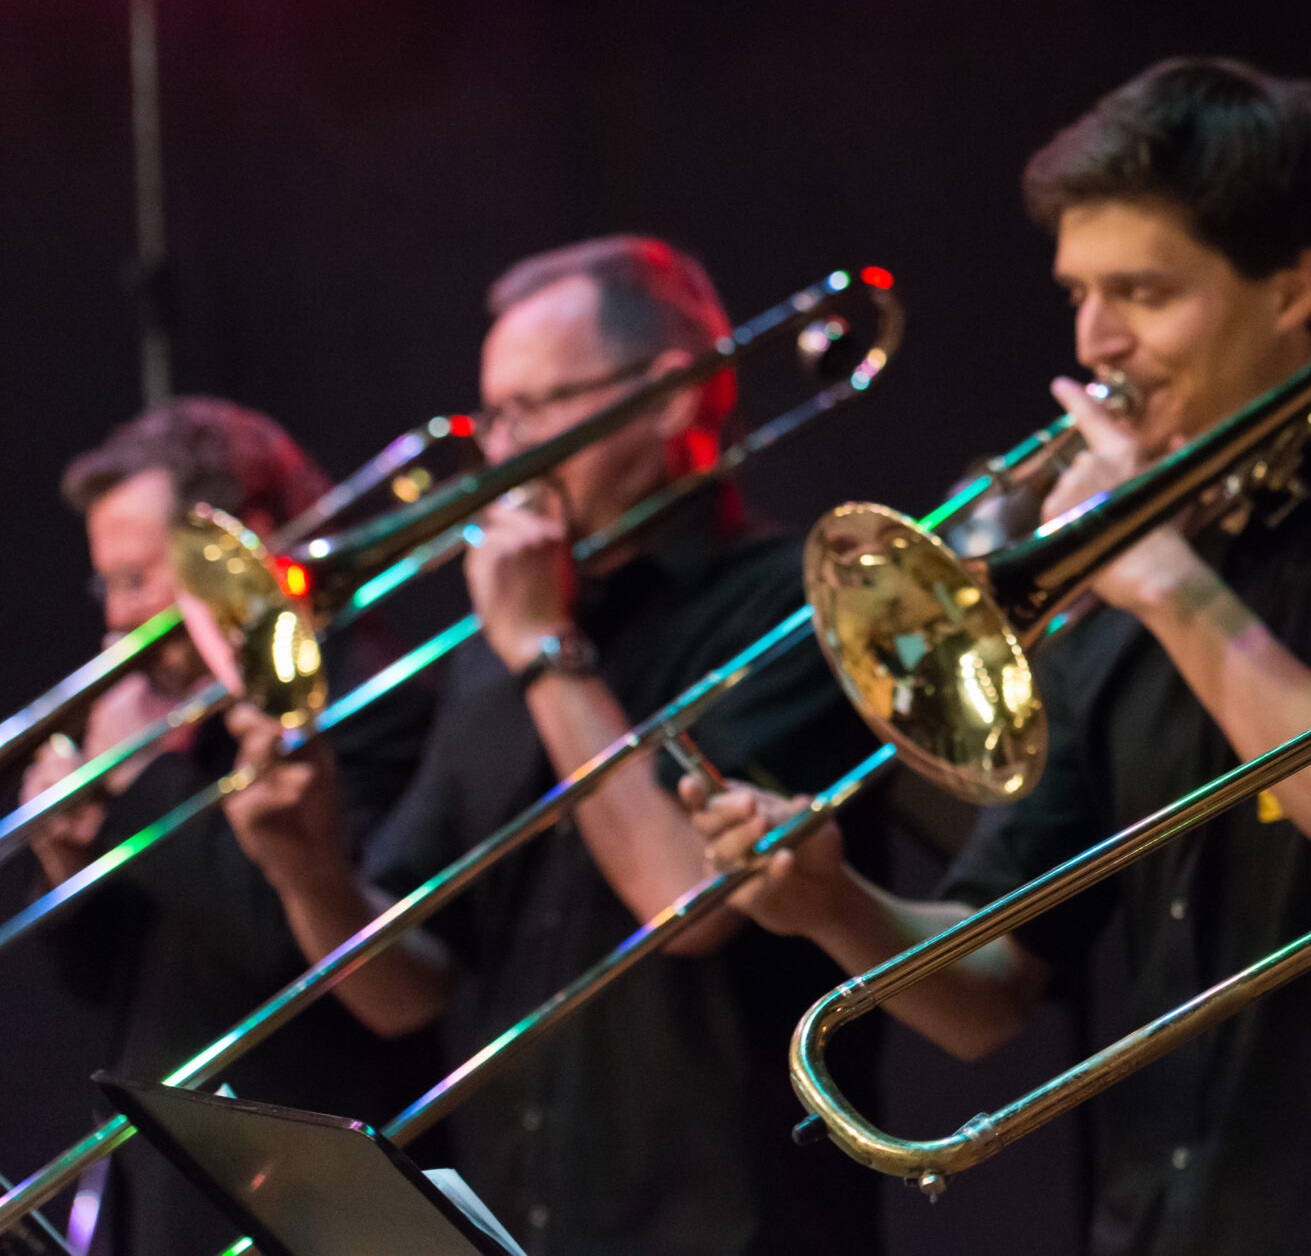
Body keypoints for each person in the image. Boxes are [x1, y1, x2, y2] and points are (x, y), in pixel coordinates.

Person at [689, 59, 1311, 1256]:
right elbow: (991, 984)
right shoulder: (1120, 573)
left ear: (1292, 286)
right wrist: (832, 903)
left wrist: (1168, 585)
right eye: (1080, 292)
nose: (1096, 340)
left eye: (1142, 292)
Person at [220, 237, 885, 1256]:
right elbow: (407, 992)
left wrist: (545, 649)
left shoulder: (801, 603)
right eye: (493, 416)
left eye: (534, 409)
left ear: (669, 395)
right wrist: (306, 866)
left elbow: (690, 903)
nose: (501, 453)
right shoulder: (497, 655)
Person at [16, 399, 440, 1256]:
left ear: (238, 541)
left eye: (138, 579)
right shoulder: (194, 719)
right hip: (162, 1198)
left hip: (298, 1203)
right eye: (107, 585)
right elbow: (109, 981)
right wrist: (67, 862)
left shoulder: (368, 697)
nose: (117, 619)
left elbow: (285, 942)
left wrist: (143, 776)